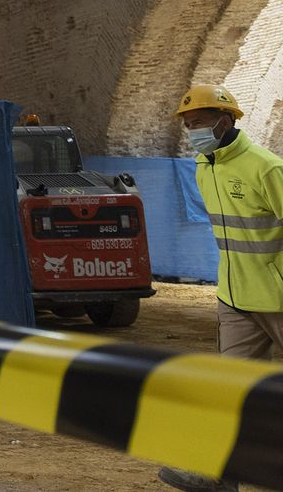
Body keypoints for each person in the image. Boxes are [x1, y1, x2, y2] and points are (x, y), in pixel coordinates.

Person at [159, 84, 279, 492]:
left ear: (225, 122)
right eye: (188, 125)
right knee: (227, 389)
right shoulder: (204, 167)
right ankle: (218, 475)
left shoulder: (267, 168)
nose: (192, 131)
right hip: (235, 299)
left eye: (199, 124)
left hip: (279, 299)